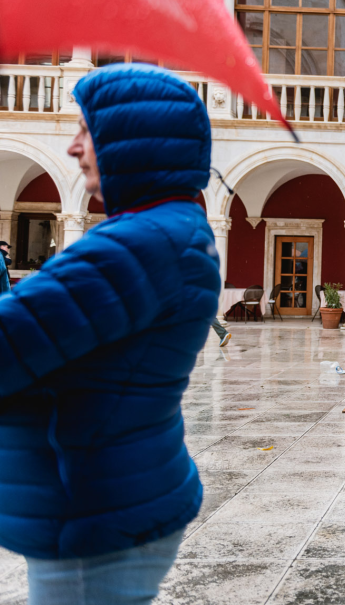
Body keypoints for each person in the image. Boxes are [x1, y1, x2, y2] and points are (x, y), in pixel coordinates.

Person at [0, 65, 220, 604]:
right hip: (114, 492)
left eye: (86, 130)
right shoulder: (166, 231)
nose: (74, 148)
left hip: (90, 510)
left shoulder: (140, 245)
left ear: (131, 141)